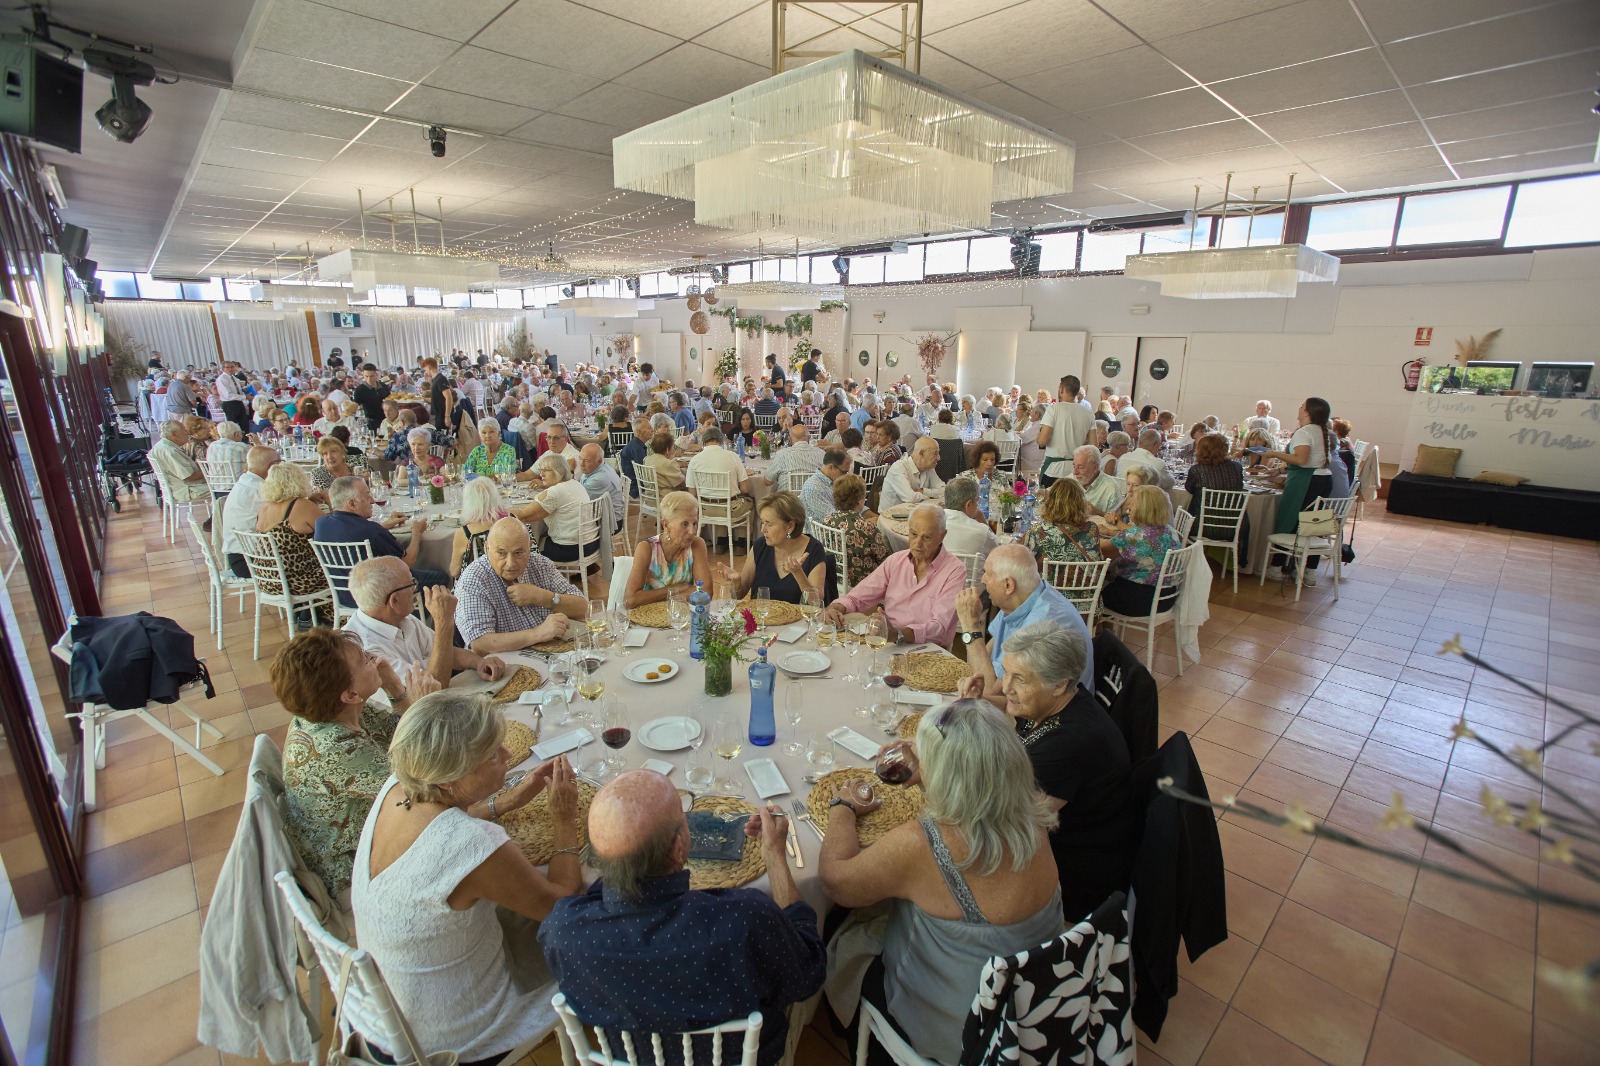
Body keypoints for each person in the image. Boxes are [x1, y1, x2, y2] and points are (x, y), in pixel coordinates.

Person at [818, 699, 1064, 1064]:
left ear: (948, 774)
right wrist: (935, 771)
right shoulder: (1032, 812)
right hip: (1036, 1006)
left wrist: (843, 808)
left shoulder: (926, 844)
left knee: (837, 927)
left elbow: (835, 881)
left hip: (967, 1032)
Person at [352, 692, 585, 1065]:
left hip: (384, 1006)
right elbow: (560, 903)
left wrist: (503, 802)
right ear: (449, 779)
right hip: (448, 1034)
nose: (509, 756)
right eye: (493, 754)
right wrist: (564, 818)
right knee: (590, 931)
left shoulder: (397, 787)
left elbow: (436, 834)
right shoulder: (471, 845)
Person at [541, 771, 824, 1066]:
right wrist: (775, 854)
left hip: (631, 1055)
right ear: (679, 849)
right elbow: (808, 973)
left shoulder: (564, 932)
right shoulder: (745, 919)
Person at [962, 621, 1136, 921]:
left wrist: (931, 774)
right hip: (1059, 842)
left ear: (1059, 684)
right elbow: (1012, 711)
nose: (1006, 687)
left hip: (1070, 878)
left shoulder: (1069, 745)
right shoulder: (1058, 702)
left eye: (1020, 679)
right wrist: (976, 704)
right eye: (1007, 673)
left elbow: (1001, 824)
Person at [271, 627, 440, 900]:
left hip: (374, 826)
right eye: (364, 660)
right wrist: (424, 706)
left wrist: (396, 689)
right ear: (349, 695)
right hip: (352, 871)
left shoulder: (337, 711)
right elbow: (424, 789)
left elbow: (398, 737)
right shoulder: (337, 749)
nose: (374, 658)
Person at [953, 545, 1094, 711]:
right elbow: (986, 655)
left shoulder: (1041, 624)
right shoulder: (1024, 597)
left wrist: (970, 626)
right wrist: (972, 634)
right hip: (1025, 702)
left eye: (987, 574)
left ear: (1008, 585)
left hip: (1056, 717)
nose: (983, 580)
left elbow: (990, 691)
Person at [346, 557, 506, 687]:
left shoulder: (400, 618)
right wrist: (444, 621)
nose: (417, 590)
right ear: (394, 601)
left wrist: (478, 662)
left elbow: (445, 651)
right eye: (412, 584)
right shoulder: (365, 651)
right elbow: (433, 688)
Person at [822, 503, 964, 647]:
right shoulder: (896, 561)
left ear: (942, 536)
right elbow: (856, 597)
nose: (917, 544)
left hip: (928, 649)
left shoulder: (955, 571)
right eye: (913, 534)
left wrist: (898, 633)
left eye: (926, 537)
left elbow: (938, 628)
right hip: (889, 642)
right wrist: (836, 608)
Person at [454, 517, 586, 654]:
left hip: (550, 653)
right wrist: (537, 634)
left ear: (529, 547)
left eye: (518, 553)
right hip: (503, 663)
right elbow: (480, 643)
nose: (510, 563)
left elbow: (583, 608)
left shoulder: (540, 564)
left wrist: (541, 596)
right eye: (501, 553)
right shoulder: (474, 580)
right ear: (488, 548)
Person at [314, 476, 448, 595]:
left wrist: (386, 524)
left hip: (344, 594)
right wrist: (417, 534)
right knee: (442, 577)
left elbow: (350, 532)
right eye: (367, 495)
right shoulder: (372, 531)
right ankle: (412, 619)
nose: (372, 500)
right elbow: (407, 563)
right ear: (351, 504)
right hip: (379, 596)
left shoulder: (321, 524)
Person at [1261, 396, 1337, 584]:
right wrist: (1280, 469)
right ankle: (1309, 570)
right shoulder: (1322, 430)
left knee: (1290, 521)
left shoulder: (1305, 432)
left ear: (1307, 412)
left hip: (1306, 481)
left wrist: (1274, 453)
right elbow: (1314, 459)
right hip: (1323, 479)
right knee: (1315, 525)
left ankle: (1277, 567)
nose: (1299, 408)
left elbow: (1302, 460)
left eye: (1301, 406)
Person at [714, 492, 828, 605]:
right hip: (762, 620)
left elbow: (816, 602)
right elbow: (739, 595)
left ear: (790, 526)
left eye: (769, 524)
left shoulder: (813, 549)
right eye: (762, 522)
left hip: (799, 622)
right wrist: (737, 583)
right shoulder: (760, 546)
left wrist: (798, 573)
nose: (763, 529)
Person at [1099, 484, 1181, 615]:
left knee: (1090, 594)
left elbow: (1097, 554)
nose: (1129, 506)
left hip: (1140, 599)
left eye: (1133, 502)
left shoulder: (1133, 536)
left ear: (1143, 508)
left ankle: (1097, 632)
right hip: (1167, 597)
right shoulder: (1170, 531)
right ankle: (1106, 631)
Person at [253, 463, 329, 601]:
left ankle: (307, 613)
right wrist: (329, 500)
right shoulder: (301, 505)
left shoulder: (264, 508)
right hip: (297, 581)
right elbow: (333, 530)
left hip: (267, 580)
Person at [624, 490, 711, 608]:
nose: (692, 531)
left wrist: (659, 597)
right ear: (666, 525)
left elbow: (706, 592)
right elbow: (631, 600)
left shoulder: (696, 545)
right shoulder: (647, 549)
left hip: (681, 617)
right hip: (648, 617)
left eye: (694, 523)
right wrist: (673, 590)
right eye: (685, 524)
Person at [513, 452, 598, 563]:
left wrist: (499, 511)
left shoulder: (554, 492)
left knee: (526, 547)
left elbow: (523, 516)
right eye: (541, 470)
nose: (541, 475)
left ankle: (536, 576)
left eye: (546, 470)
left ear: (558, 471)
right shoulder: (575, 483)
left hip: (570, 549)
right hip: (590, 543)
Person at [1185, 431, 1249, 555]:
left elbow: (1189, 489)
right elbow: (1239, 487)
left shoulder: (1197, 470)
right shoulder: (1236, 467)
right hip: (1234, 527)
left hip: (1202, 527)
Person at [222, 445, 280, 577]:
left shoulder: (245, 482)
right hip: (250, 562)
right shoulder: (259, 489)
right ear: (273, 466)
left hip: (238, 555)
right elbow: (284, 517)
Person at [1024, 476, 1101, 565]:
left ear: (1050, 502)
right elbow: (1098, 559)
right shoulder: (1092, 528)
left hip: (1047, 579)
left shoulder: (1038, 531)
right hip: (1084, 579)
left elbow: (1024, 563)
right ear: (1081, 502)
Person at [1034, 374, 1093, 488]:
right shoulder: (1088, 412)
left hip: (1054, 470)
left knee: (1050, 504)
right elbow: (1093, 446)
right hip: (1077, 470)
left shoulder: (1054, 409)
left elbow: (1042, 441)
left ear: (1061, 388)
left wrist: (1038, 436)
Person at [684, 427, 753, 524]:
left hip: (704, 509)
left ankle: (720, 537)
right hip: (730, 509)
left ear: (704, 441)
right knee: (751, 503)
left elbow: (692, 494)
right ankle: (742, 538)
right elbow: (745, 489)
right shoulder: (732, 456)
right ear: (721, 440)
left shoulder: (694, 460)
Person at [149, 420, 213, 510]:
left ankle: (215, 519)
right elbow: (189, 477)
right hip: (187, 490)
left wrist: (202, 464)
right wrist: (212, 469)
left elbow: (185, 468)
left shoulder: (162, 445)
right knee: (226, 488)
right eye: (184, 431)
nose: (187, 433)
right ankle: (216, 520)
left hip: (179, 488)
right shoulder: (169, 451)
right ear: (174, 434)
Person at [940, 478, 998, 565]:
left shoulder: (933, 523)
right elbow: (998, 554)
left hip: (938, 577)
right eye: (977, 502)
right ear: (969, 504)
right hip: (973, 578)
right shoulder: (981, 531)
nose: (977, 506)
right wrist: (982, 520)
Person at [878, 437, 944, 512]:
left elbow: (944, 491)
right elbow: (910, 498)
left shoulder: (928, 468)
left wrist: (923, 491)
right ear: (921, 453)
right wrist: (931, 497)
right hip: (890, 517)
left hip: (914, 514)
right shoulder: (899, 468)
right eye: (935, 454)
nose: (939, 458)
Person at [577, 443, 625, 536]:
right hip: (601, 516)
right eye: (580, 458)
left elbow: (577, 499)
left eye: (586, 461)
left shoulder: (600, 478)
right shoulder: (596, 468)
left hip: (611, 524)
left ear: (599, 461)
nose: (581, 464)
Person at [798, 447, 849, 529]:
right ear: (830, 467)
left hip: (838, 526)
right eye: (844, 472)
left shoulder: (834, 480)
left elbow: (852, 503)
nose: (845, 476)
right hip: (823, 535)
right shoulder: (813, 487)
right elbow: (831, 519)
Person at [1072, 445, 1126, 517]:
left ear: (1094, 468)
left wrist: (1097, 512)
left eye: (1080, 467)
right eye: (1074, 466)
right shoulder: (1070, 480)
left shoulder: (1111, 487)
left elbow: (1117, 521)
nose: (1075, 472)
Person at [619, 416, 650, 497]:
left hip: (633, 485)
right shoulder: (637, 449)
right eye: (649, 428)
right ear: (639, 432)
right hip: (636, 488)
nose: (652, 430)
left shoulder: (635, 444)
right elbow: (645, 472)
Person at [352, 363, 390, 431]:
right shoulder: (360, 390)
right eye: (366, 376)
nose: (369, 379)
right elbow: (355, 405)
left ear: (376, 374)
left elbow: (390, 400)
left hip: (387, 420)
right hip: (372, 423)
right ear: (363, 375)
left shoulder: (383, 386)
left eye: (371, 376)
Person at [423, 356, 454, 433]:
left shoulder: (440, 379)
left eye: (426, 369)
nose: (426, 372)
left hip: (442, 414)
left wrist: (447, 416)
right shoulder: (436, 379)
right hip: (439, 414)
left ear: (429, 367)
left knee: (444, 437)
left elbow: (449, 397)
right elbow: (437, 398)